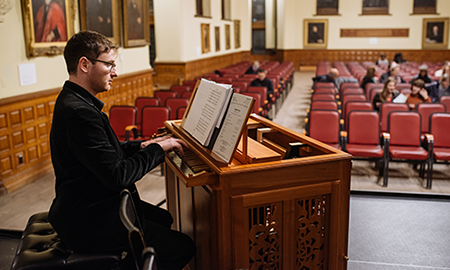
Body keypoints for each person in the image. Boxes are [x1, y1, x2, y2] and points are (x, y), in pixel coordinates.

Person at [48, 31, 195, 270]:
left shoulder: (75, 100)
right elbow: (118, 176)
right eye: (109, 65)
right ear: (84, 64)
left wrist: (141, 145)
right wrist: (157, 149)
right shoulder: (80, 112)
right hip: (86, 219)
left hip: (88, 203)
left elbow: (105, 152)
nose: (115, 72)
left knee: (164, 218)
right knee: (182, 247)